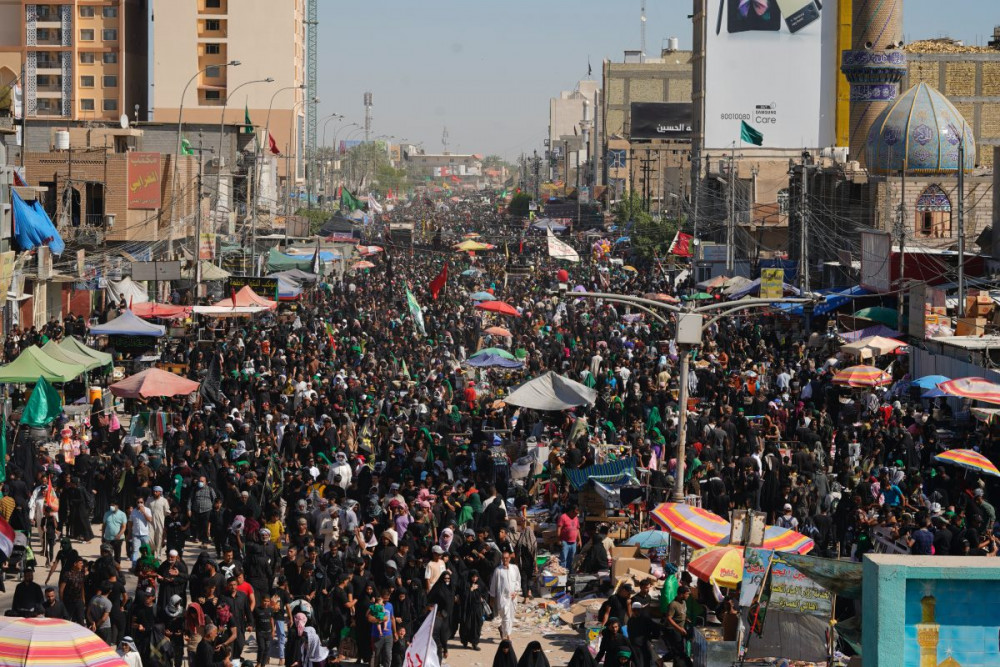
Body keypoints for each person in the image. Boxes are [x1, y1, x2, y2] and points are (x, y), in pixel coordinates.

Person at [488, 548, 521, 642]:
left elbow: (518, 581)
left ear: (510, 558)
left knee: (510, 617)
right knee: (505, 616)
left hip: (512, 597)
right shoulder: (498, 570)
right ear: (501, 559)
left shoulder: (515, 568)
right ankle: (507, 634)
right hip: (502, 597)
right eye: (503, 558)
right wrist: (492, 597)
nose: (505, 560)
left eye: (507, 558)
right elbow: (493, 584)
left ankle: (506, 633)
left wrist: (516, 591)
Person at [665, 585, 693, 667]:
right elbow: (669, 618)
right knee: (678, 651)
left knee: (678, 651)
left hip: (681, 629)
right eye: (687, 594)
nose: (688, 596)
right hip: (673, 630)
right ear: (681, 594)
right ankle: (662, 660)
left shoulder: (684, 602)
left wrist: (686, 618)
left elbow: (682, 613)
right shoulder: (673, 604)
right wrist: (679, 629)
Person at [367, 587, 396, 667]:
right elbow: (368, 617)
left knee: (388, 655)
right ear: (381, 597)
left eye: (388, 597)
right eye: (385, 598)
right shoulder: (374, 605)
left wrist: (395, 632)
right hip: (377, 635)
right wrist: (379, 620)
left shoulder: (390, 605)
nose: (387, 599)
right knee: (376, 655)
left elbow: (392, 618)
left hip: (388, 634)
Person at [556, 505, 582, 574]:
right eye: (575, 513)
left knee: (571, 559)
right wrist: (558, 539)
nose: (576, 515)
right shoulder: (563, 517)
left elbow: (577, 529)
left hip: (573, 542)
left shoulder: (576, 518)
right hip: (565, 542)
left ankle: (570, 574)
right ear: (571, 511)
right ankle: (563, 573)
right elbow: (559, 529)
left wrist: (579, 540)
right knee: (564, 559)